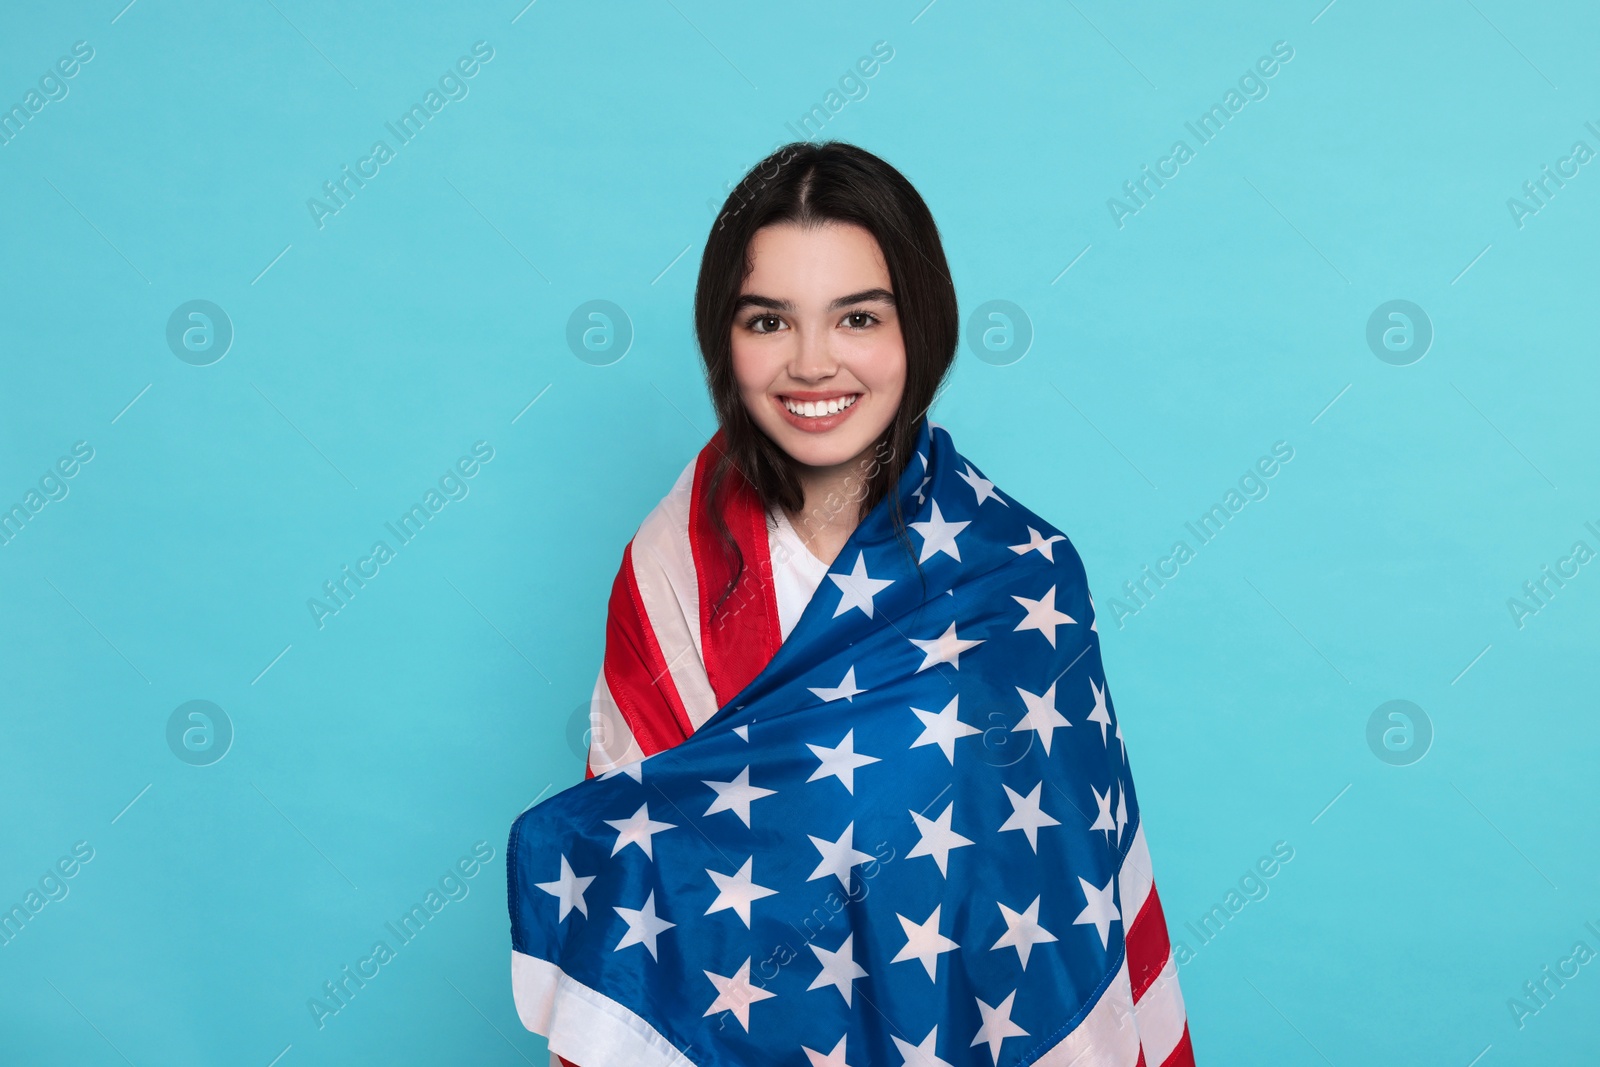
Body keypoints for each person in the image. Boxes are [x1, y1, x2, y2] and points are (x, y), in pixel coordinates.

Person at [510, 141, 1195, 1067]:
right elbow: (647, 883)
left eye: (857, 317)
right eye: (767, 322)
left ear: (920, 325)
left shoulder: (1024, 579)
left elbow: (1061, 889)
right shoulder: (668, 567)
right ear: (724, 337)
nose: (811, 364)